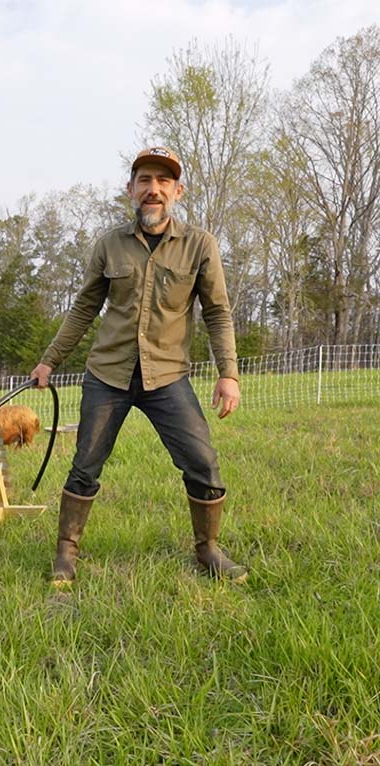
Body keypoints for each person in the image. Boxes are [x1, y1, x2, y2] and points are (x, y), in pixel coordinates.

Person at [30, 146, 247, 585]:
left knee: (202, 462)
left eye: (164, 181)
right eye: (145, 180)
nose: (154, 189)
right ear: (130, 189)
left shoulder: (199, 245)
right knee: (85, 465)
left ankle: (207, 549)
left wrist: (228, 373)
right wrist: (49, 361)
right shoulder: (109, 245)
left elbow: (217, 313)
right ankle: (66, 553)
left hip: (167, 377)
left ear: (178, 191)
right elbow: (83, 308)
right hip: (107, 375)